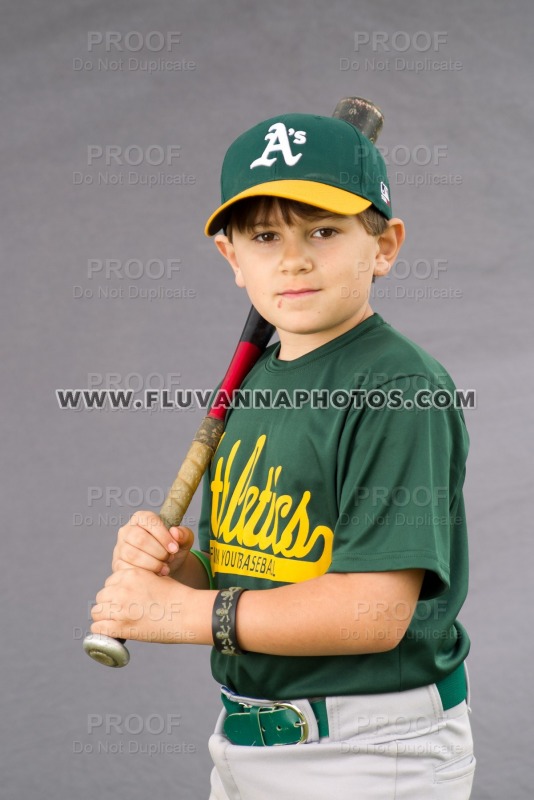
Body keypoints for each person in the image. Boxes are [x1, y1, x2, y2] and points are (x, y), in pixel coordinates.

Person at [91, 113, 476, 799]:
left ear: (384, 246)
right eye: (265, 236)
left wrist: (176, 615)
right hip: (246, 740)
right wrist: (180, 567)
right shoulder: (254, 380)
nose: (292, 259)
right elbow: (247, 570)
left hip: (370, 748)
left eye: (323, 231)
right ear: (232, 259)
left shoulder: (396, 388)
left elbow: (373, 613)